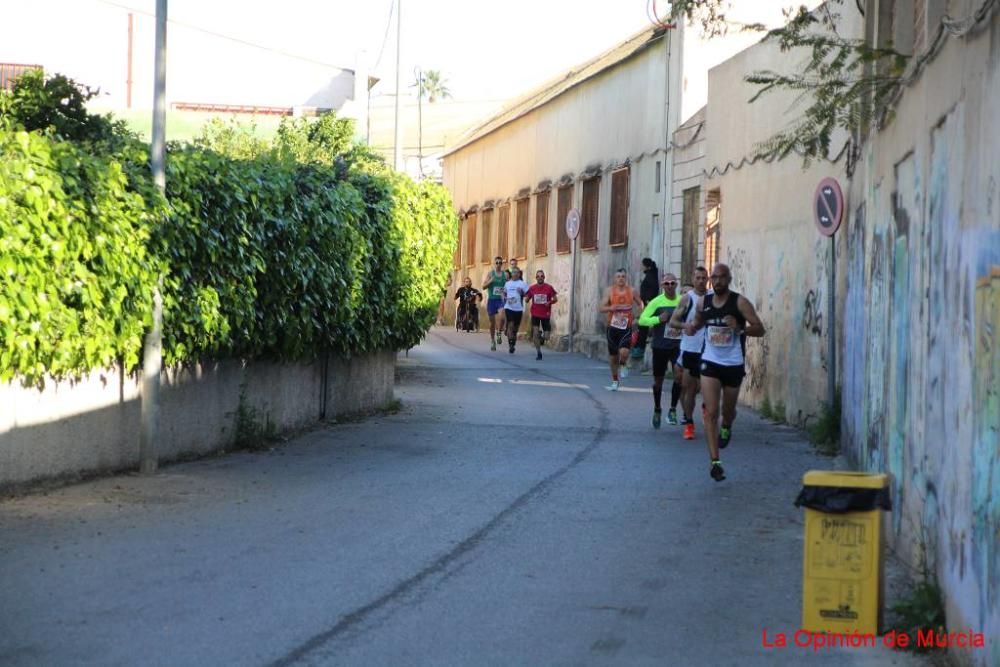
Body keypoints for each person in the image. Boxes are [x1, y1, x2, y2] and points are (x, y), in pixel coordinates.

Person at [683, 263, 765, 482]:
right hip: (710, 361)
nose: (717, 281)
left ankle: (727, 426)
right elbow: (699, 323)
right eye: (714, 277)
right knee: (711, 412)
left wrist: (739, 328)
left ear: (729, 279)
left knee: (727, 412)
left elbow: (760, 328)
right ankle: (715, 462)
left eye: (721, 277)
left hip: (733, 363)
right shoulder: (704, 302)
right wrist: (692, 327)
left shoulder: (739, 302)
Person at [637, 272, 684, 428]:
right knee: (658, 381)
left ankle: (672, 409)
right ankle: (657, 408)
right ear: (662, 286)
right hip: (660, 346)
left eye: (672, 283)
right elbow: (642, 320)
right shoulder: (657, 302)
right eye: (666, 283)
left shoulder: (682, 301)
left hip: (678, 345)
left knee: (679, 376)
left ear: (676, 284)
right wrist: (658, 319)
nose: (670, 286)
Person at [670, 267, 711, 441]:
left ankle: (706, 406)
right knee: (689, 389)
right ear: (693, 279)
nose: (701, 281)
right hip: (690, 349)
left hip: (710, 350)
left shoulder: (714, 298)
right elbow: (673, 321)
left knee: (707, 387)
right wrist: (685, 326)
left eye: (704, 278)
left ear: (707, 279)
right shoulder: (688, 298)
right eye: (698, 278)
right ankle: (689, 423)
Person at [598, 268, 643, 391]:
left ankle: (623, 364)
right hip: (612, 328)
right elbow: (601, 307)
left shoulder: (632, 291)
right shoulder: (609, 291)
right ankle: (615, 380)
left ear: (626, 278)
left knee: (624, 352)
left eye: (623, 276)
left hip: (626, 327)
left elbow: (641, 304)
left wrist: (637, 317)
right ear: (615, 279)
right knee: (613, 357)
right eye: (618, 276)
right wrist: (611, 308)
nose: (621, 279)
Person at [525, 269, 558, 360]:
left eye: (542, 276)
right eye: (538, 276)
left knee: (547, 337)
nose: (540, 278)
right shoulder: (532, 288)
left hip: (545, 314)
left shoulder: (549, 287)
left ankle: (542, 337)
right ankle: (539, 353)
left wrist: (549, 302)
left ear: (544, 277)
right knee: (535, 333)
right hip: (535, 313)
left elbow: (555, 299)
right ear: (536, 278)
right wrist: (526, 299)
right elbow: (527, 298)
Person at [634, 258, 660, 356]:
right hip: (647, 304)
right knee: (643, 326)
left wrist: (647, 303)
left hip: (649, 305)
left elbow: (652, 290)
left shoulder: (650, 276)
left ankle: (640, 348)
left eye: (643, 265)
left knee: (643, 326)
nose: (641, 267)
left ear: (647, 266)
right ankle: (639, 346)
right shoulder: (650, 274)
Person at [482, 257, 507, 351]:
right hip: (492, 300)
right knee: (492, 323)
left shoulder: (505, 275)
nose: (498, 264)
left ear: (502, 264)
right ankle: (493, 341)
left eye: (500, 263)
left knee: (502, 318)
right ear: (494, 264)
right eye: (496, 263)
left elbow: (508, 285)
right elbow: (483, 286)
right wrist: (490, 281)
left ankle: (499, 333)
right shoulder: (490, 274)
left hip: (500, 300)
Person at [502, 268, 529, 353]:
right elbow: (503, 293)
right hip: (509, 307)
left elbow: (528, 295)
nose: (515, 274)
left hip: (518, 308)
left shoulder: (523, 284)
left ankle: (513, 341)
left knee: (516, 328)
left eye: (517, 273)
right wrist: (504, 297)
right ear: (511, 274)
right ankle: (510, 344)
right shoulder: (507, 283)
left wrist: (522, 293)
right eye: (513, 272)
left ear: (519, 274)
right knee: (511, 324)